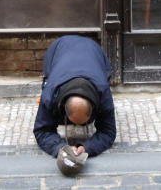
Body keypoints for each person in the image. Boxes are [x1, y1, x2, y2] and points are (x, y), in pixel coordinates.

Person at [33, 35, 117, 174]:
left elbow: (108, 132)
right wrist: (60, 148)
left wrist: (87, 147)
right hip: (58, 48)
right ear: (63, 109)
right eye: (74, 122)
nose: (77, 127)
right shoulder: (50, 93)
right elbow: (41, 131)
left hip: (93, 50)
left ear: (95, 108)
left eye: (82, 123)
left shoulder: (103, 92)